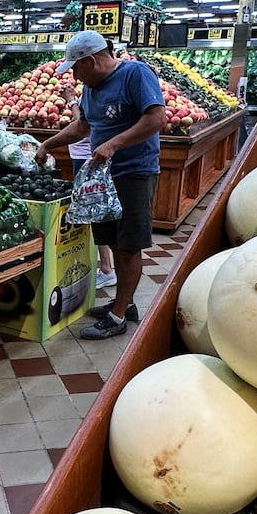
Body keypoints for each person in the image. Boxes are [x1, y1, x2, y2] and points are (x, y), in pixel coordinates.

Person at [35, 30, 165, 340]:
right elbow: (82, 126)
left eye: (77, 69)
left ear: (91, 61)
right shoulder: (91, 91)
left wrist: (114, 144)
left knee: (129, 246)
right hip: (102, 181)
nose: (76, 76)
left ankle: (118, 315)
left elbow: (157, 118)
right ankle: (125, 303)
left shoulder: (135, 74)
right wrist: (47, 144)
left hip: (133, 173)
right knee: (113, 242)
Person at [68, 126, 117, 290]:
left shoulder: (87, 101)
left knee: (94, 215)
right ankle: (106, 267)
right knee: (95, 215)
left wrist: (70, 102)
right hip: (85, 156)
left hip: (87, 158)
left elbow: (81, 125)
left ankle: (106, 269)